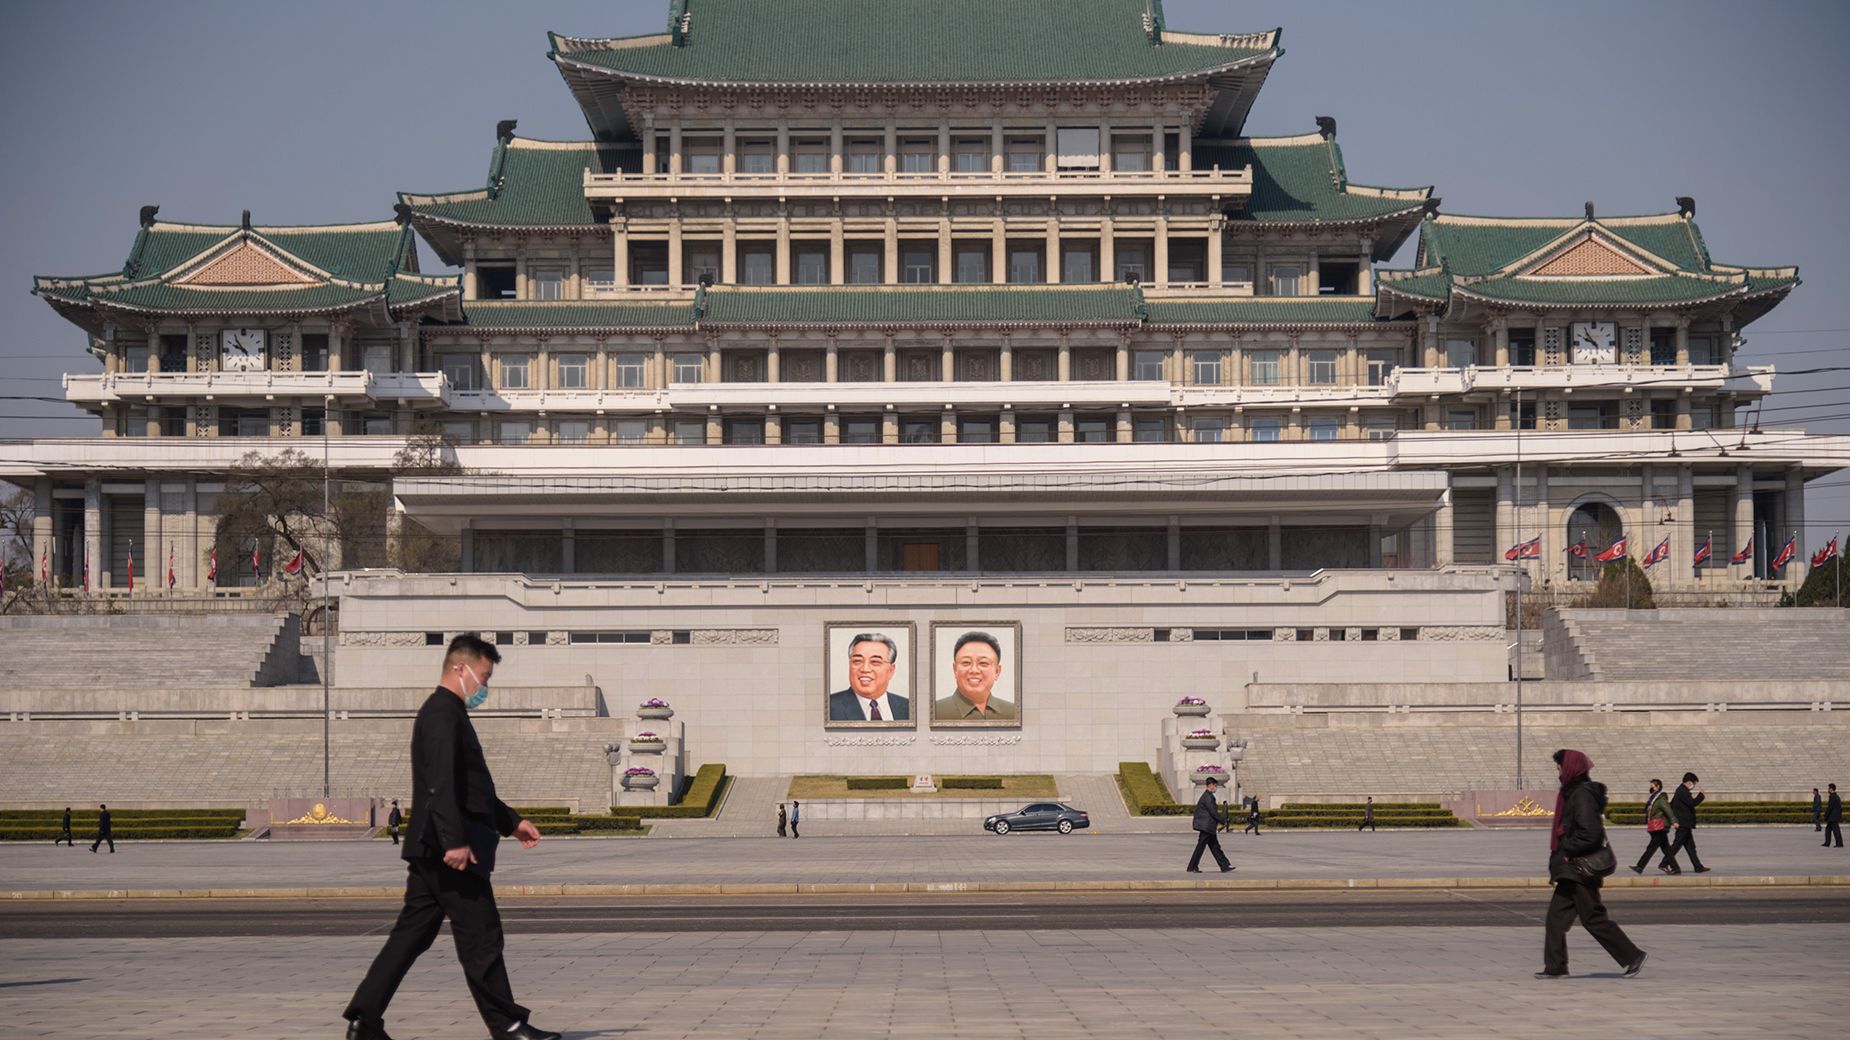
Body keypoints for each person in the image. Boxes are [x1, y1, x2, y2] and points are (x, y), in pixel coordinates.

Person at [343, 635, 561, 1040]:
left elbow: (471, 788)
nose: (485, 687)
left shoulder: (448, 712)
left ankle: (365, 1020)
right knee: (482, 937)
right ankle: (508, 1025)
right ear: (460, 669)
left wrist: (511, 822)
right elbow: (440, 785)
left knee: (411, 936)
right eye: (483, 677)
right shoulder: (443, 713)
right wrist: (455, 842)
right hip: (450, 850)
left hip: (433, 846)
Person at [1537, 748, 1646, 980]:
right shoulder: (1572, 793)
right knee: (1555, 920)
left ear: (1570, 768)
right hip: (1571, 869)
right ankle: (1555, 967)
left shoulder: (1581, 794)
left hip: (1579, 868)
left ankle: (1632, 955)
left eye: (1559, 767)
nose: (1557, 771)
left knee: (1593, 918)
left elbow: (1591, 833)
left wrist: (1567, 851)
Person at [932, 631, 1017, 722]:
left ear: (997, 671)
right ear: (955, 670)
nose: (974, 670)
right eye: (966, 663)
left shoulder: (1013, 712)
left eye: (983, 663)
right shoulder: (935, 712)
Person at [828, 633, 911, 721]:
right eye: (857, 661)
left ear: (891, 670)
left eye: (875, 662)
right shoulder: (828, 707)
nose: (865, 669)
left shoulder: (908, 707)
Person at [1660, 772, 1709, 875]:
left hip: (1684, 823)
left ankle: (1698, 866)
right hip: (1683, 824)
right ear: (1689, 782)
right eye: (1693, 783)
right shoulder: (1683, 791)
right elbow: (1692, 803)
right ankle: (1664, 863)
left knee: (1690, 847)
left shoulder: (1680, 790)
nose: (1693, 785)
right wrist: (1701, 796)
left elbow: (1672, 805)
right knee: (1676, 845)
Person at [1187, 776, 1234, 872]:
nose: (1215, 787)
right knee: (1201, 847)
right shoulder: (1208, 797)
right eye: (1215, 785)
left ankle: (1224, 866)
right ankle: (1192, 867)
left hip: (1208, 826)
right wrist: (1223, 821)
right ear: (1210, 785)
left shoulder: (1207, 796)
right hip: (1206, 827)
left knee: (1215, 847)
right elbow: (1213, 812)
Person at [1630, 779, 1673, 874]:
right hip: (1655, 825)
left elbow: (1668, 810)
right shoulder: (1653, 797)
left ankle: (1640, 867)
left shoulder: (1660, 798)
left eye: (1652, 785)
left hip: (1660, 827)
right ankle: (1675, 868)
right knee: (1666, 849)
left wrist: (1674, 821)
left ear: (1658, 786)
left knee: (1651, 848)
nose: (1650, 787)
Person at [1824, 784, 1843, 849]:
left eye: (1829, 788)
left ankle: (1839, 843)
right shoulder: (1836, 796)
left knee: (1836, 830)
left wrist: (1826, 815)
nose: (1828, 790)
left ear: (1831, 789)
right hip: (1834, 816)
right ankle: (1827, 843)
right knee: (1828, 829)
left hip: (1833, 817)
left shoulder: (1832, 796)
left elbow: (1830, 807)